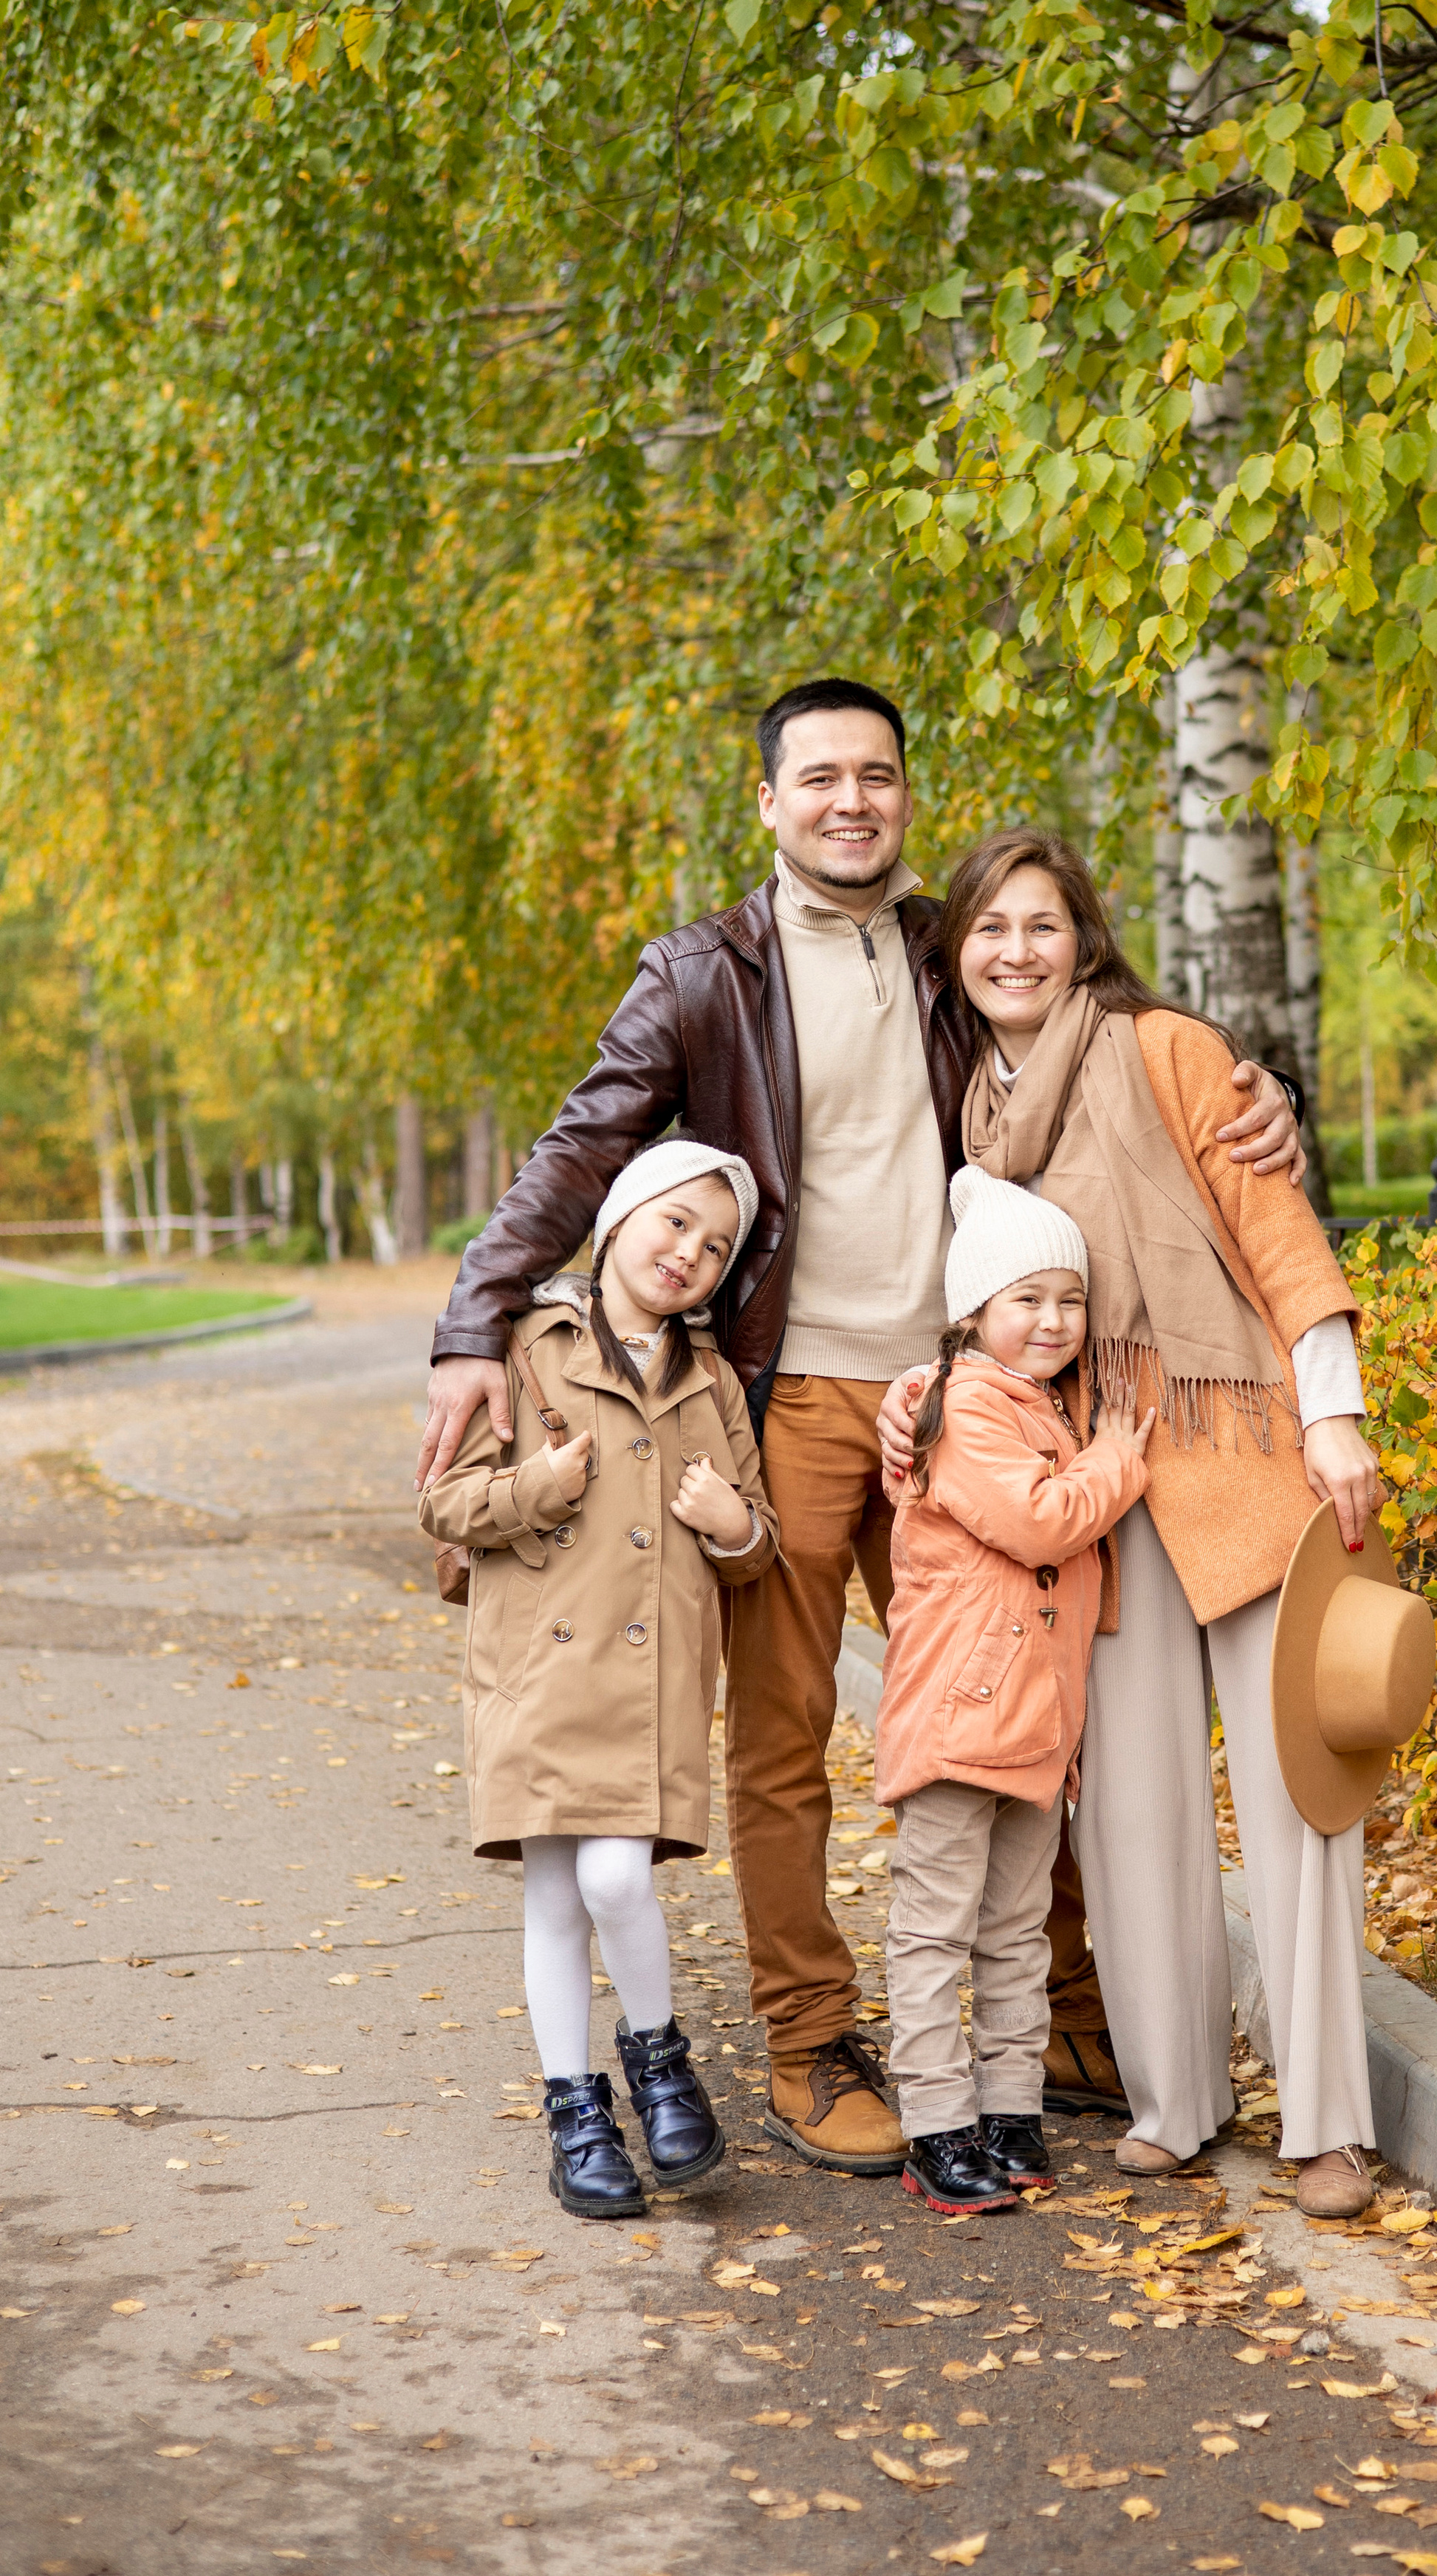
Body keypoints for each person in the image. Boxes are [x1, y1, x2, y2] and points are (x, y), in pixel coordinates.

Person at [416, 675, 1306, 2174]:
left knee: (1035, 1699)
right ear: (766, 802)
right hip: (786, 1403)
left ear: (903, 795)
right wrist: (467, 1327)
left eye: (875, 776)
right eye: (817, 776)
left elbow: (1093, 1026)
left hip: (976, 1395)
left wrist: (1244, 1080)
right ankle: (807, 2038)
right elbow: (580, 1146)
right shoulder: (703, 972)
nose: (849, 800)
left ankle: (1069, 2006)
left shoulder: (944, 955)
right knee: (784, 1738)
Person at [879, 829, 1385, 2220]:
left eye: (1043, 925)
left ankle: (1327, 2122)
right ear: (958, 950)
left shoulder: (1164, 1048)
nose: (1016, 952)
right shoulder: (972, 1104)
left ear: (1084, 935)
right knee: (1131, 1809)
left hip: (1230, 1445)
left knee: (1294, 1803)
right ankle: (1176, 2098)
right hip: (1079, 1483)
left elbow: (1271, 1222)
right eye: (990, 929)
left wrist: (1334, 1407)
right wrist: (922, 1404)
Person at [419, 1140, 778, 2220]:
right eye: (674, 1224)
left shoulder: (710, 1380)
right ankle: (576, 2106)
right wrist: (536, 1487)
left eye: (716, 1248)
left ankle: (659, 2058)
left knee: (617, 1879)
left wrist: (732, 1528)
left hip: (650, 1676)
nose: (690, 1256)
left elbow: (758, 1541)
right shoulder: (523, 1349)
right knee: (554, 1898)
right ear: (617, 1221)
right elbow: (445, 1506)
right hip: (537, 1667)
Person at [874, 1167, 1153, 2216]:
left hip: (1035, 1726)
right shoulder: (960, 1405)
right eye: (1025, 1300)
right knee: (936, 1926)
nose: (1052, 1320)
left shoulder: (1034, 1403)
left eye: (1069, 1300)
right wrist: (1123, 1459)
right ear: (972, 1313)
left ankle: (1008, 2108)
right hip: (960, 1715)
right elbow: (1041, 1522)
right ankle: (937, 2124)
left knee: (1016, 1927)